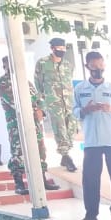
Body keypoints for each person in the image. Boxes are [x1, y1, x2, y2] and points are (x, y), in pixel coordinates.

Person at [0, 57, 61, 197]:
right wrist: (35, 109)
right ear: (4, 66)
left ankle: (42, 180)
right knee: (18, 153)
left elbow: (38, 98)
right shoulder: (2, 83)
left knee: (40, 151)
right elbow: (16, 102)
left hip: (34, 124)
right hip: (17, 125)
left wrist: (41, 110)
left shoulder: (26, 82)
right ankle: (19, 183)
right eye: (8, 65)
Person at [73, 50, 111, 220]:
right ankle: (91, 215)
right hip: (91, 140)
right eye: (94, 66)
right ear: (87, 67)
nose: (98, 69)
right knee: (90, 179)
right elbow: (74, 111)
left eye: (101, 66)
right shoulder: (80, 89)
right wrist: (84, 110)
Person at [34, 37, 78, 171]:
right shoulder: (42, 63)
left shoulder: (68, 64)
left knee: (71, 128)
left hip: (69, 102)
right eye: (59, 48)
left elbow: (69, 81)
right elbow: (38, 84)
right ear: (52, 48)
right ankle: (66, 155)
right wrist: (41, 104)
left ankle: (65, 153)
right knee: (60, 128)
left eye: (63, 48)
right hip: (54, 102)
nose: (62, 51)